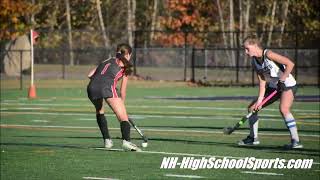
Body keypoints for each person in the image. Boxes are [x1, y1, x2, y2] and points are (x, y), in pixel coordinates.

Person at [238, 35, 303, 149]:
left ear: (255, 45)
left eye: (247, 48)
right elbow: (262, 81)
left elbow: (290, 64)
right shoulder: (255, 62)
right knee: (252, 108)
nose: (246, 52)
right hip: (273, 87)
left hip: (287, 84)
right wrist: (259, 101)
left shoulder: (268, 54)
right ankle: (253, 138)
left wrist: (282, 80)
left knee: (284, 109)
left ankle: (295, 141)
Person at [87, 43, 140, 151]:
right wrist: (122, 106)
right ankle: (126, 142)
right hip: (106, 88)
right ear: (128, 55)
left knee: (99, 110)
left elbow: (90, 75)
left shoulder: (107, 60)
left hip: (91, 87)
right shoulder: (126, 67)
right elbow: (123, 90)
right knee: (123, 117)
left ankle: (107, 141)